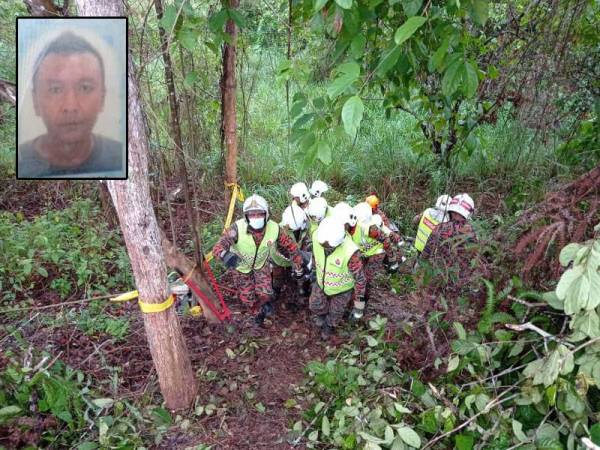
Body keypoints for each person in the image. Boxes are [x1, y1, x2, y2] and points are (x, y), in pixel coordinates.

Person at [18, 31, 124, 178]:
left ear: (103, 98)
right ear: (35, 100)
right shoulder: (20, 161)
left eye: (85, 88)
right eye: (55, 89)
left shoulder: (121, 157)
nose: (71, 106)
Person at [213, 194, 303, 326]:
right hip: (241, 268)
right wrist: (224, 255)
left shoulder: (275, 229)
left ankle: (266, 304)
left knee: (266, 293)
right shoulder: (237, 229)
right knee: (247, 297)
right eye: (252, 215)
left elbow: (291, 246)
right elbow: (218, 246)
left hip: (261, 264)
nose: (256, 217)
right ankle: (257, 313)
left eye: (259, 214)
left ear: (266, 214)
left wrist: (298, 262)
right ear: (246, 216)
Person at [421, 193, 487, 301]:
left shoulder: (439, 227)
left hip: (437, 274)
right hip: (459, 280)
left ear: (451, 210)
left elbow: (426, 252)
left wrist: (420, 269)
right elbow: (476, 259)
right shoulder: (471, 233)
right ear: (469, 213)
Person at [309, 217, 366, 339]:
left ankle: (329, 326)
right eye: (322, 244)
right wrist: (313, 271)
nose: (324, 247)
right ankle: (322, 315)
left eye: (328, 246)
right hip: (321, 282)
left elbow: (360, 280)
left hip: (342, 290)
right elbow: (315, 255)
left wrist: (359, 306)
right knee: (315, 304)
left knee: (336, 313)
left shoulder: (350, 252)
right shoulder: (316, 237)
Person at [271, 203, 312, 307]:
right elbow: (282, 251)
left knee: (299, 275)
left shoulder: (303, 225)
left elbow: (305, 239)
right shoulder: (278, 231)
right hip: (279, 259)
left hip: (296, 256)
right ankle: (276, 290)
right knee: (278, 275)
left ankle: (301, 291)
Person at [351, 202, 400, 284]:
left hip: (377, 253)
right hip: (364, 252)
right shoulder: (351, 224)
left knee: (367, 276)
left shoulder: (370, 228)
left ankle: (365, 294)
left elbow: (386, 239)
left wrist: (392, 259)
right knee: (359, 273)